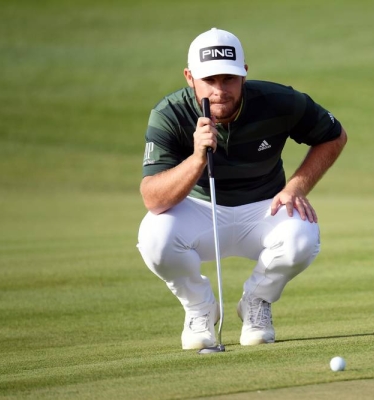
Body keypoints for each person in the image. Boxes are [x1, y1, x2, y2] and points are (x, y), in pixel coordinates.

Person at [137, 28, 347, 350]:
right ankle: (200, 307)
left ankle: (256, 302)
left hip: (264, 208)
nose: (220, 91)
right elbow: (153, 198)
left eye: (229, 79)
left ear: (244, 74)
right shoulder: (170, 113)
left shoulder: (279, 102)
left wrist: (296, 187)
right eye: (209, 80)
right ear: (190, 77)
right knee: (154, 237)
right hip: (200, 211)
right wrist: (196, 158)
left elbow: (334, 136)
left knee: (303, 235)